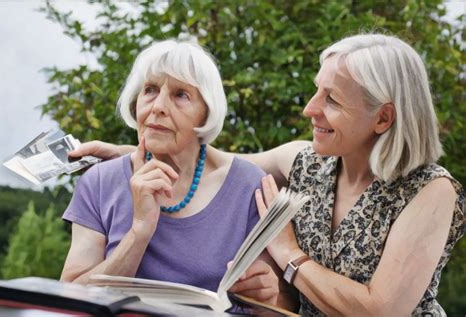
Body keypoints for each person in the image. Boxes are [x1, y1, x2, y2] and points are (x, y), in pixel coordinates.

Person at [71, 33, 465, 316]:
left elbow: (382, 311)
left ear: (383, 118)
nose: (310, 108)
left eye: (331, 99)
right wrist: (132, 151)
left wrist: (289, 256)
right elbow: (213, 161)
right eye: (316, 90)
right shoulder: (306, 161)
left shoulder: (430, 191)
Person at [60, 39, 286, 307]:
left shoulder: (249, 185)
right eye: (150, 90)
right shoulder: (99, 182)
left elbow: (281, 306)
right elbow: (70, 296)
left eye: (180, 95)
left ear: (206, 114)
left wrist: (269, 299)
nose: (158, 107)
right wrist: (139, 232)